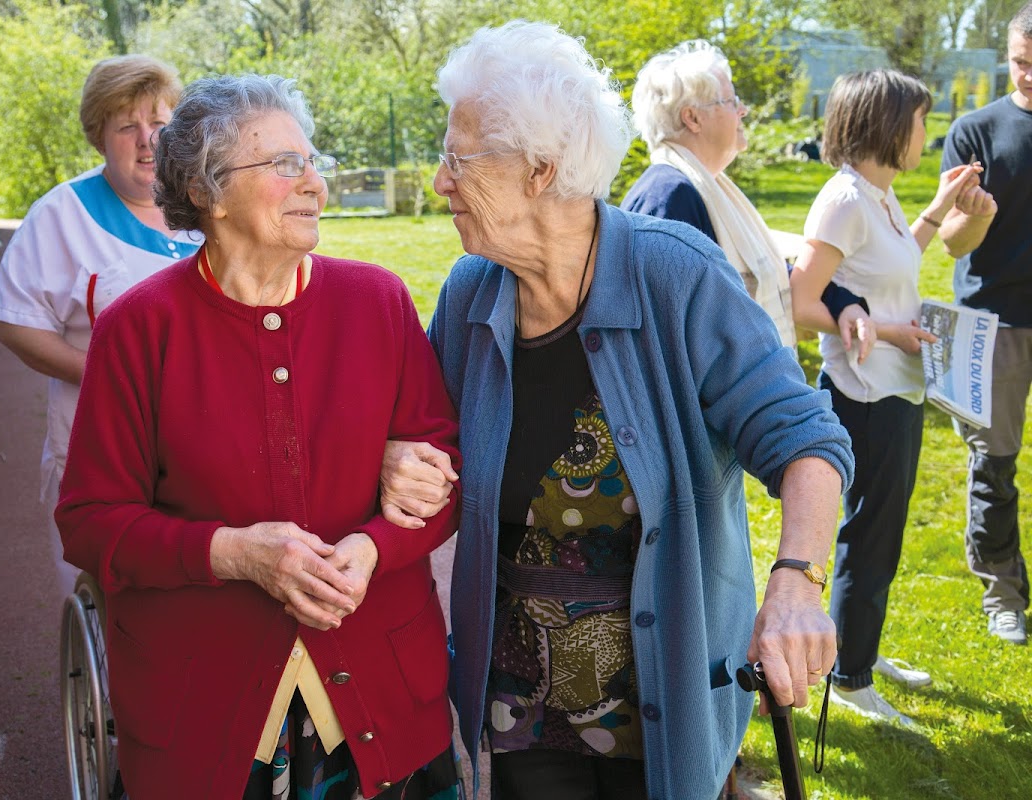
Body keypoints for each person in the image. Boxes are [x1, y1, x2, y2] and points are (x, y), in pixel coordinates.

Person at [383, 21, 853, 800]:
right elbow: (428, 440)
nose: (439, 181)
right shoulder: (471, 293)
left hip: (668, 689)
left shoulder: (676, 277)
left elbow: (806, 437)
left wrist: (797, 585)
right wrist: (397, 458)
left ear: (539, 171)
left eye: (457, 159)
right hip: (520, 702)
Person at [54, 74, 463, 800]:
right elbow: (90, 523)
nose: (315, 185)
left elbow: (445, 474)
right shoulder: (140, 329)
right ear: (208, 191)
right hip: (205, 704)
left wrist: (372, 547)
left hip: (381, 690)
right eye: (284, 165)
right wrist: (235, 553)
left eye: (313, 163)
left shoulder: (378, 302)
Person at [789, 69, 983, 724]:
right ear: (887, 123)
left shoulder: (880, 196)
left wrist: (936, 208)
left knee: (882, 537)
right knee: (869, 539)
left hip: (898, 385)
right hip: (865, 391)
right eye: (920, 120)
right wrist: (887, 330)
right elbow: (801, 298)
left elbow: (895, 261)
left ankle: (859, 650)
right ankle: (850, 678)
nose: (926, 134)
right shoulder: (844, 199)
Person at [0, 55, 198, 596]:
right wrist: (110, 375)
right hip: (103, 440)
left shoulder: (205, 201)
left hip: (200, 443)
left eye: (161, 124)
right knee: (111, 585)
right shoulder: (63, 215)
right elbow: (15, 324)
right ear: (98, 137)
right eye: (128, 127)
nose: (148, 141)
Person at [620, 39, 873, 355]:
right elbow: (670, 338)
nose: (743, 110)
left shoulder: (709, 189)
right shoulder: (669, 199)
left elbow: (770, 272)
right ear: (692, 118)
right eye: (730, 100)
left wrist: (843, 304)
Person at [940, 1, 1031, 646]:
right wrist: (978, 212)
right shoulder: (976, 131)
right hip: (992, 324)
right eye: (1023, 64)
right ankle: (1003, 593)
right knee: (991, 467)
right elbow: (949, 241)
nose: (1030, 76)